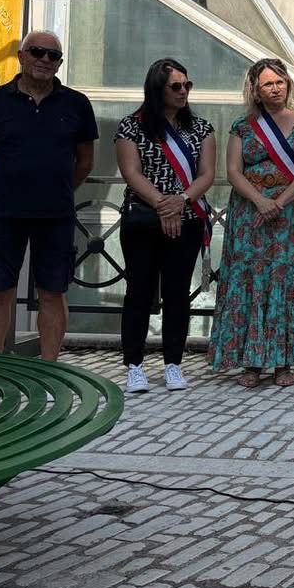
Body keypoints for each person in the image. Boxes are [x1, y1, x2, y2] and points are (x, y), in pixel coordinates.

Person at [0, 30, 98, 361]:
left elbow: (85, 162)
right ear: (21, 56)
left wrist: (59, 189)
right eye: (37, 52)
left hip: (56, 215)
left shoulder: (77, 104)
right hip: (2, 214)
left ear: (60, 63)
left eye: (53, 55)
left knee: (53, 292)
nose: (44, 60)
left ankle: (50, 367)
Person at [209, 58, 294, 388]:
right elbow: (232, 170)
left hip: (290, 215)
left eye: (280, 82)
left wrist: (279, 202)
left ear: (288, 85)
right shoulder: (242, 127)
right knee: (251, 281)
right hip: (250, 217)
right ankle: (251, 362)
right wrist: (260, 201)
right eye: (267, 84)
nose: (275, 88)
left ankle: (284, 362)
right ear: (255, 90)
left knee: (285, 283)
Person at [115, 58, 216, 394]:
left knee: (177, 295)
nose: (184, 91)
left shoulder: (201, 128)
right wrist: (163, 203)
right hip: (144, 219)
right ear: (158, 88)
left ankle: (173, 362)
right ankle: (134, 365)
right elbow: (132, 173)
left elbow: (207, 175)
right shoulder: (132, 126)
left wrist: (181, 202)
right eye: (176, 86)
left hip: (185, 220)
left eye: (187, 85)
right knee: (139, 293)